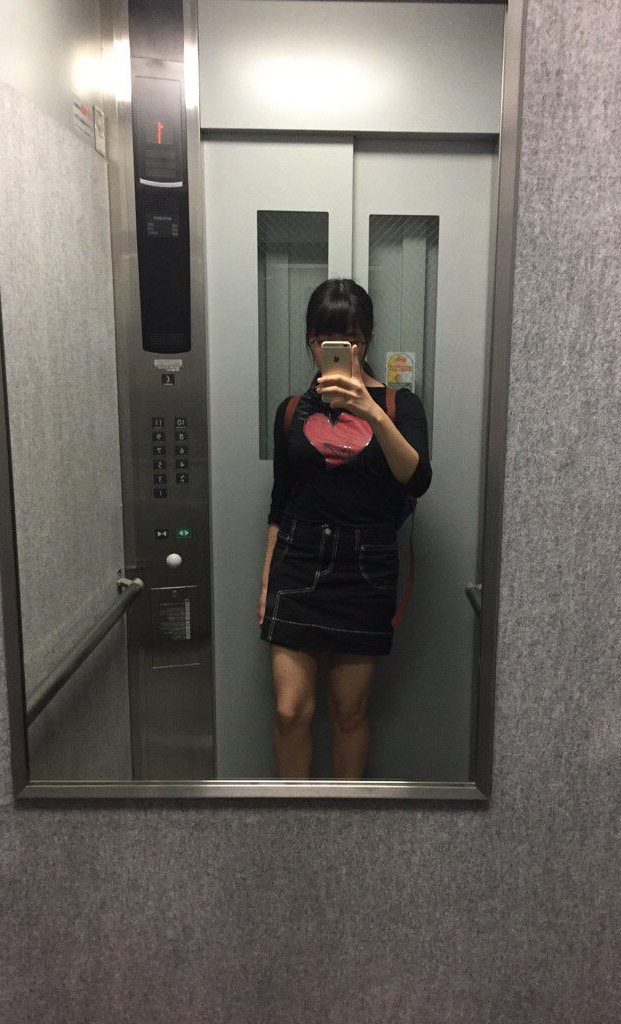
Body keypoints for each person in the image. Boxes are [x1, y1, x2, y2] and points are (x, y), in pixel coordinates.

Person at [257, 278, 432, 780]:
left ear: (367, 339)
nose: (335, 350)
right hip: (297, 563)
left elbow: (418, 480)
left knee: (349, 713)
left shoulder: (399, 406)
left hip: (366, 568)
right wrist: (267, 582)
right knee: (290, 711)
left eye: (350, 339)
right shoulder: (292, 410)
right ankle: (294, 819)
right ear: (310, 341)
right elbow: (280, 502)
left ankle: (344, 823)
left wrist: (368, 409)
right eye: (323, 340)